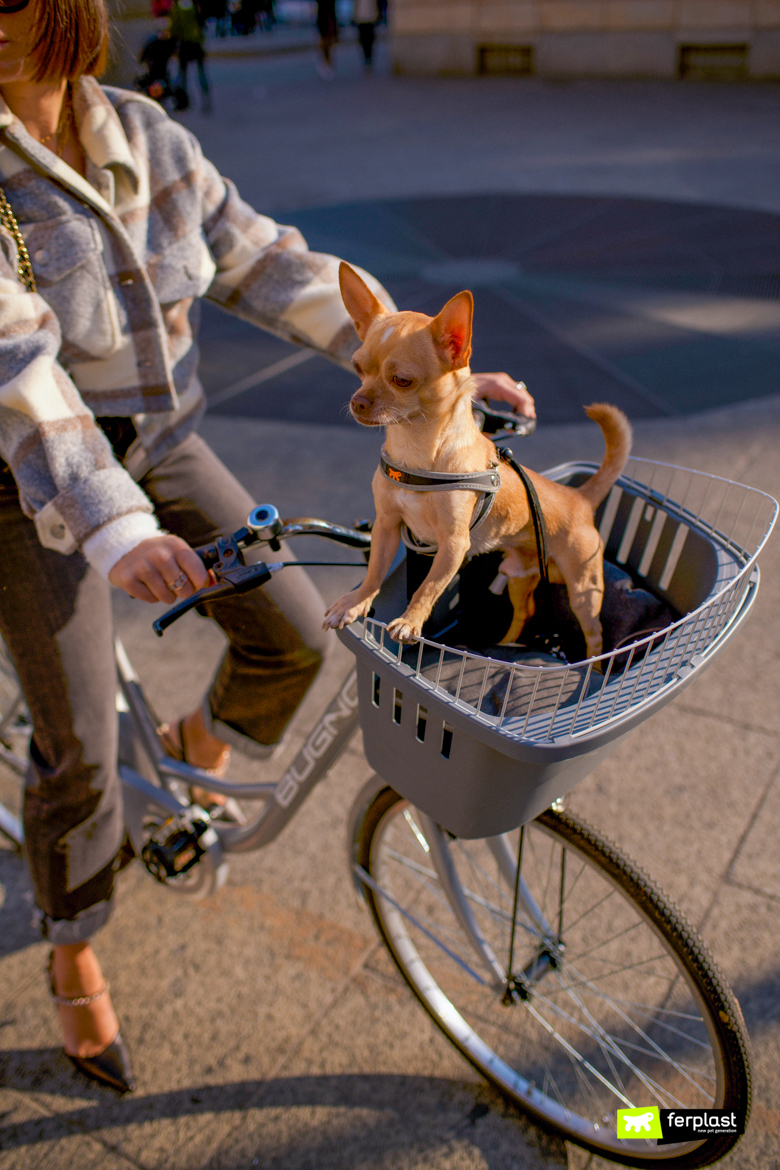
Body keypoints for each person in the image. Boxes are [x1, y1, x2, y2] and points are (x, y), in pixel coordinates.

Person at [0, 0, 534, 1096]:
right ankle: (74, 943)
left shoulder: (147, 134)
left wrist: (432, 371)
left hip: (163, 441)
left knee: (294, 634)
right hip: (32, 480)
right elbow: (20, 375)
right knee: (81, 748)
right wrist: (111, 525)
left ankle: (193, 746)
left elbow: (271, 266)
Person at [170, 0, 210, 112]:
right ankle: (206, 100)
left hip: (185, 44)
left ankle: (183, 102)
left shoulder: (177, 7)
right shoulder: (194, 4)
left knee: (182, 74)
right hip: (196, 43)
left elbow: (175, 27)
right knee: (201, 73)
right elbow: (201, 22)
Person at [315, 0, 338, 79]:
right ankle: (326, 62)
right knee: (325, 42)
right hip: (324, 19)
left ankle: (327, 62)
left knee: (329, 42)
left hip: (329, 19)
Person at [353, 0, 378, 72]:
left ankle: (368, 59)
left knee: (369, 40)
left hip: (369, 18)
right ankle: (367, 59)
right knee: (364, 40)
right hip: (361, 18)